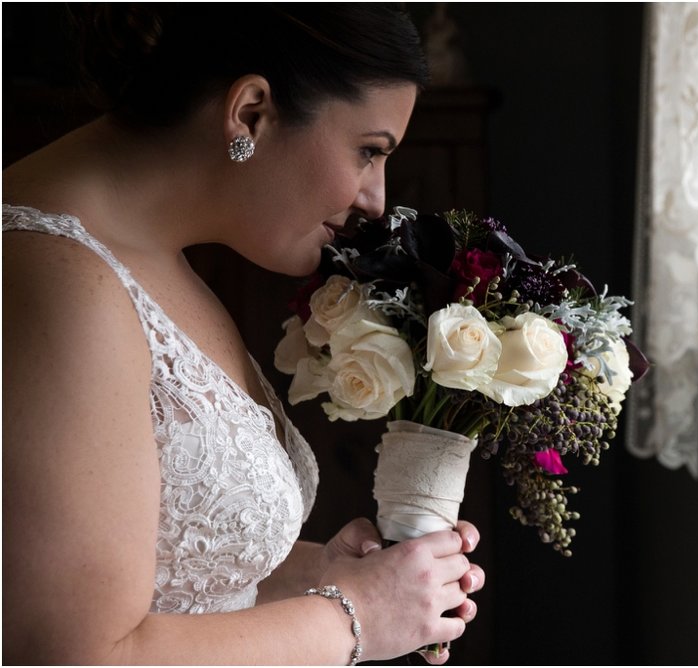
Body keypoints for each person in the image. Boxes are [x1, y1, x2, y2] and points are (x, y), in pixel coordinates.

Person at [2, 4, 484, 664]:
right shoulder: (56, 284)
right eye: (369, 151)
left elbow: (170, 584)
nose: (376, 199)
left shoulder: (147, 258)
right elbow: (73, 656)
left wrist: (323, 576)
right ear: (251, 111)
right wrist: (358, 616)